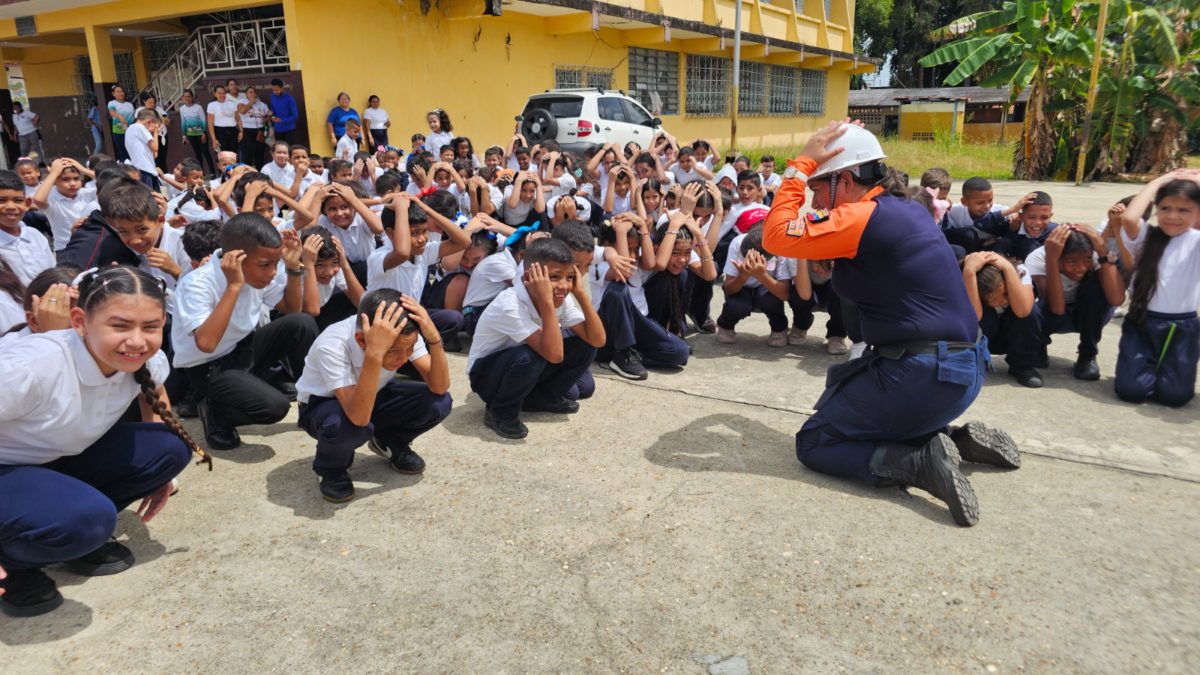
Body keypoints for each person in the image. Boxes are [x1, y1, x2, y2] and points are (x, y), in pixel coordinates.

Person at [763, 120, 1021, 527]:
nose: (812, 197)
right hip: (960, 371)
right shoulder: (902, 209)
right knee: (856, 414)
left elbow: (775, 235)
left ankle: (918, 462)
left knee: (816, 441)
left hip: (922, 374)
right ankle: (953, 438)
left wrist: (800, 165)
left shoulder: (859, 217)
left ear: (844, 180)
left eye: (817, 186)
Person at [0, 266, 207, 618]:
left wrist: (155, 476)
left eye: (151, 327)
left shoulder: (146, 360)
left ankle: (66, 534)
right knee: (89, 521)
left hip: (58, 456)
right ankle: (14, 558)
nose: (138, 341)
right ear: (79, 320)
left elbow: (155, 407)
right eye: (120, 325)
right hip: (9, 469)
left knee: (169, 448)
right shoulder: (30, 367)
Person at [171, 213, 318, 451]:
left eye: (275, 263)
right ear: (236, 258)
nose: (271, 272)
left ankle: (311, 403)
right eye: (265, 265)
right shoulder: (197, 283)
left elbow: (292, 310)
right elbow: (206, 343)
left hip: (242, 350)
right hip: (208, 366)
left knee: (301, 324)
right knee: (275, 407)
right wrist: (234, 286)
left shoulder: (257, 274)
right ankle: (214, 410)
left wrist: (292, 268)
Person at [296, 290, 451, 502]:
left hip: (373, 393)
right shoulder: (332, 344)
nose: (404, 358)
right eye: (394, 351)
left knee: (439, 402)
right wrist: (375, 353)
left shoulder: (402, 334)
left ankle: (389, 442)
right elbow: (358, 417)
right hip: (322, 405)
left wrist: (433, 338)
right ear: (361, 339)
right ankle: (331, 469)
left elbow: (440, 386)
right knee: (351, 426)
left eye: (410, 348)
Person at [466, 238, 605, 440]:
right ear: (529, 278)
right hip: (487, 377)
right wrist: (546, 302)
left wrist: (581, 294)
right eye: (555, 277)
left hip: (522, 369)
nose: (564, 286)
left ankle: (540, 399)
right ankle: (500, 410)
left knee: (586, 345)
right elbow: (554, 355)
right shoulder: (510, 303)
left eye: (568, 277)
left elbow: (598, 340)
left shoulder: (562, 299)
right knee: (532, 355)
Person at [1114, 171, 1200, 407]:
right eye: (1165, 208)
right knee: (1130, 391)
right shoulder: (1147, 236)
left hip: (1182, 326)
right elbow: (1130, 218)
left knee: (1174, 397)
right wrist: (1159, 182)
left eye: (1184, 210)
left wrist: (1196, 182)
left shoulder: (1195, 241)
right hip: (1142, 321)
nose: (1172, 216)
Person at [1024, 226, 1125, 381]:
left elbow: (1117, 299)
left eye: (1087, 260)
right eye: (1072, 261)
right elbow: (1056, 309)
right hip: (1054, 314)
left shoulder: (1096, 256)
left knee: (1097, 289)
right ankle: (1038, 344)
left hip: (1087, 313)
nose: (1081, 268)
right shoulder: (1039, 258)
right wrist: (1051, 260)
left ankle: (1087, 355)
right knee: (1034, 310)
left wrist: (1102, 250)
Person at [961, 252, 1040, 387]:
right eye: (993, 299)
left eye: (1005, 294)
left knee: (1031, 311)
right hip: (985, 335)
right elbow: (973, 317)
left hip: (1013, 335)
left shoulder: (1020, 271)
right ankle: (976, 361)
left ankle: (1022, 366)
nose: (1002, 301)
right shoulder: (966, 278)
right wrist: (969, 272)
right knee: (986, 315)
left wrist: (1008, 268)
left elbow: (1023, 310)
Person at [716, 225, 793, 346]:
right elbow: (729, 290)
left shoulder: (780, 248)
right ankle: (726, 325)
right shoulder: (737, 243)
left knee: (769, 300)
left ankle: (779, 328)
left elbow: (784, 294)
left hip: (767, 284)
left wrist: (762, 275)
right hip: (741, 285)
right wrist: (743, 275)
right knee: (737, 305)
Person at [0, 171, 54, 286]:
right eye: (1, 200)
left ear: (27, 203)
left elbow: (53, 274)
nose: (10, 207)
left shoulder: (35, 236)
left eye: (18, 200)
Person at [31, 157, 92, 253]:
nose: (72, 183)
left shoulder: (86, 193)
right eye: (66, 179)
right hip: (66, 248)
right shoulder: (51, 198)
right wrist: (54, 173)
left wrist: (83, 169)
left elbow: (114, 181)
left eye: (76, 178)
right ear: (55, 180)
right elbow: (38, 199)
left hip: (92, 244)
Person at [178, 89, 216, 176]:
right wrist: (184, 136)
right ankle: (201, 174)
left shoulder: (198, 107)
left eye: (189, 96)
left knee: (206, 153)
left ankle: (212, 173)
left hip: (201, 134)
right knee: (197, 154)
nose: (187, 98)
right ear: (183, 98)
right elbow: (183, 122)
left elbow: (203, 120)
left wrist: (203, 133)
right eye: (185, 96)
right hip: (191, 135)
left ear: (192, 97)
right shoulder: (182, 109)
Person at [124, 108, 162, 190]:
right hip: (145, 170)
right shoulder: (139, 127)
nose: (153, 131)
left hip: (145, 170)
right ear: (149, 122)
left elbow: (155, 155)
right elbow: (155, 148)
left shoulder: (130, 130)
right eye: (155, 126)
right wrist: (156, 132)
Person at [135, 93, 170, 173]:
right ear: (144, 101)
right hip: (149, 137)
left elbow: (167, 120)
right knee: (154, 157)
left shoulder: (158, 109)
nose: (152, 104)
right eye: (150, 102)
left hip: (162, 135)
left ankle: (164, 175)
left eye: (154, 102)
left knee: (162, 157)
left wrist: (164, 119)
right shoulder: (140, 111)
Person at [237, 86, 270, 169]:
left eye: (254, 92)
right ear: (246, 94)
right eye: (250, 92)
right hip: (247, 130)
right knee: (247, 154)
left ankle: (260, 172)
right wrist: (251, 102)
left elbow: (269, 114)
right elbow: (242, 111)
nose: (253, 94)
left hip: (260, 130)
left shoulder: (261, 104)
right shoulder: (242, 102)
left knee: (260, 153)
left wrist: (267, 117)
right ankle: (247, 173)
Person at [206, 85, 241, 161]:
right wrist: (214, 139)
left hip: (233, 132)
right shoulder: (211, 105)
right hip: (219, 132)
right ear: (215, 94)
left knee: (233, 156)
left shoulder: (232, 104)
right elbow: (210, 123)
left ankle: (233, 172)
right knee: (222, 156)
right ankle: (223, 173)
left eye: (224, 93)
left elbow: (238, 119)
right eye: (219, 93)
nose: (222, 95)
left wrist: (241, 131)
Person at [107, 85, 135, 163]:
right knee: (123, 154)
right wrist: (119, 116)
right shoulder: (112, 103)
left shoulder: (129, 105)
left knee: (132, 152)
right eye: (118, 92)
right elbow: (112, 112)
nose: (120, 93)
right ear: (113, 94)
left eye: (121, 91)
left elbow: (133, 117)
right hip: (119, 132)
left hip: (130, 131)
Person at [268, 79, 299, 144]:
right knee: (280, 149)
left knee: (288, 149)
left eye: (276, 90)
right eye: (273, 90)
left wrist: (282, 120)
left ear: (282, 88)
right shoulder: (272, 97)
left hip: (289, 129)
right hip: (278, 129)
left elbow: (295, 116)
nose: (275, 92)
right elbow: (272, 111)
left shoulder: (289, 99)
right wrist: (272, 117)